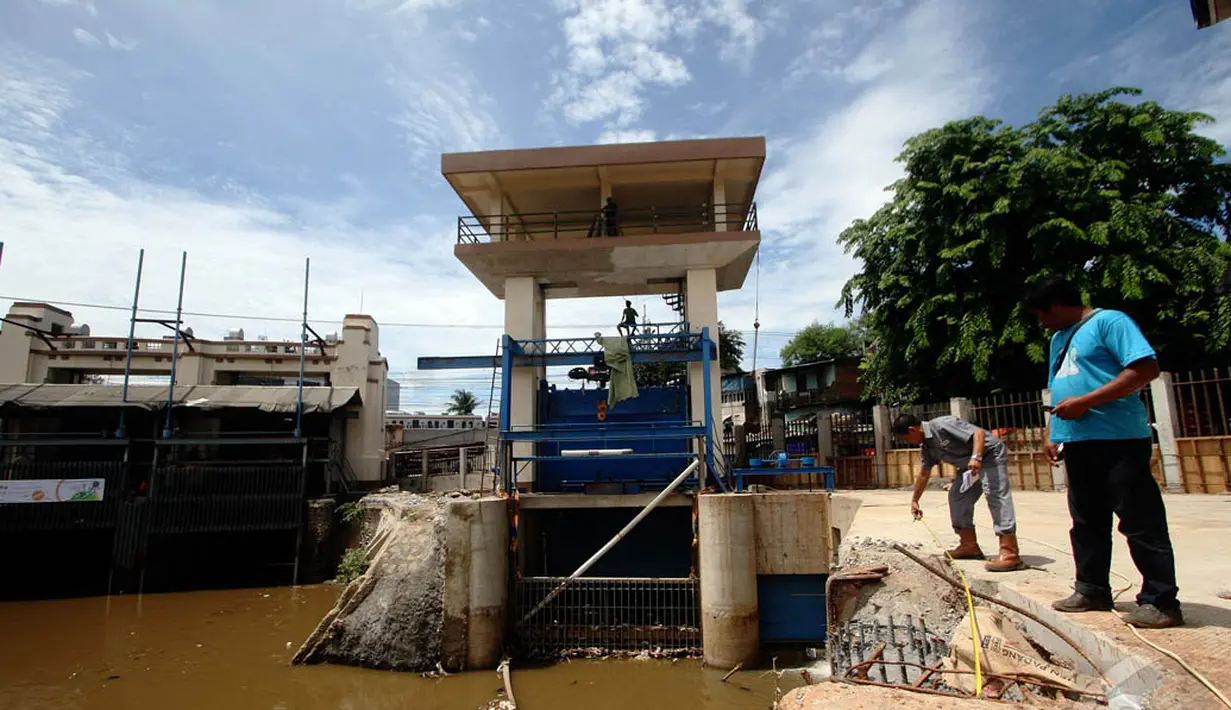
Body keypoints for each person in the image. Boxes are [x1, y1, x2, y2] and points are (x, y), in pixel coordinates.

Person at [1024, 276, 1182, 629]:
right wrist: (1052, 432)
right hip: (1078, 442)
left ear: (1058, 305)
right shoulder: (1058, 338)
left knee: (1139, 520)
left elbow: (1145, 369)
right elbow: (1056, 387)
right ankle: (1092, 588)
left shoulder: (1111, 321)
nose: (1042, 323)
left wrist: (1087, 402)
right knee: (1086, 521)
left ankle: (1161, 600)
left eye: (1042, 315)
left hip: (1118, 439)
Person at [893, 413, 1024, 572]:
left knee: (995, 495)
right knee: (957, 497)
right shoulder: (927, 448)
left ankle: (1010, 552)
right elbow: (924, 473)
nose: (908, 443)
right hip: (969, 468)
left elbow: (979, 433)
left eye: (906, 439)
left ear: (912, 430)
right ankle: (969, 545)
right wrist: (915, 500)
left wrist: (976, 457)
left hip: (989, 455)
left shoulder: (942, 425)